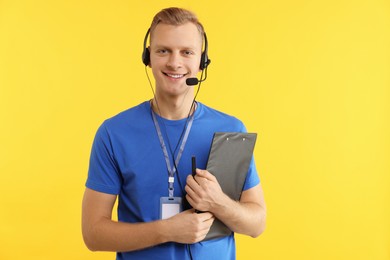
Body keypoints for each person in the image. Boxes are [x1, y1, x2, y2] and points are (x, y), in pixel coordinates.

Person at [82, 7, 266, 260]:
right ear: (148, 57)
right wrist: (166, 231)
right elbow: (93, 234)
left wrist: (217, 202)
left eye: (186, 52)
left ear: (202, 62)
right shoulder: (113, 133)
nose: (174, 62)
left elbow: (257, 225)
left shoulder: (232, 130)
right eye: (163, 51)